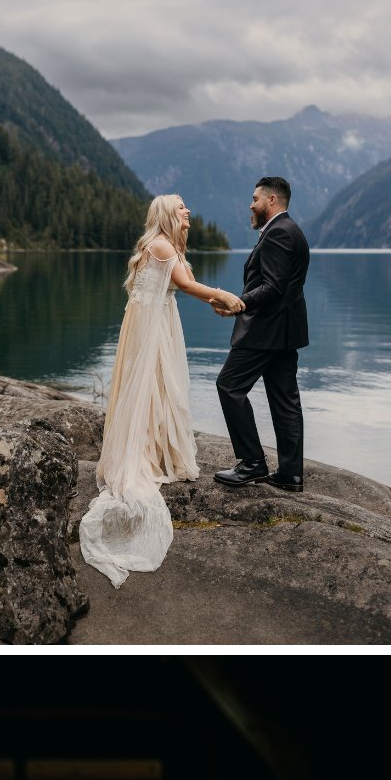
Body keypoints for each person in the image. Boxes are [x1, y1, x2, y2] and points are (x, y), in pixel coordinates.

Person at [79, 194, 245, 588]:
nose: (189, 210)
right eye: (183, 206)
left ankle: (155, 449)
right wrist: (220, 294)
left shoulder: (165, 246)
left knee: (158, 388)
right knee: (152, 386)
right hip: (150, 328)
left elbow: (176, 287)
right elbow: (186, 285)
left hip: (155, 322)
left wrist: (212, 301)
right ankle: (147, 454)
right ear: (170, 214)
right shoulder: (160, 244)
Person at [212, 176, 310, 493]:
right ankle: (290, 474)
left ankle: (252, 464)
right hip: (284, 332)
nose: (251, 204)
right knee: (285, 401)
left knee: (229, 385)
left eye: (255, 198)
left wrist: (238, 304)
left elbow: (273, 287)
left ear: (271, 200)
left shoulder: (280, 232)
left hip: (265, 331)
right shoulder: (289, 230)